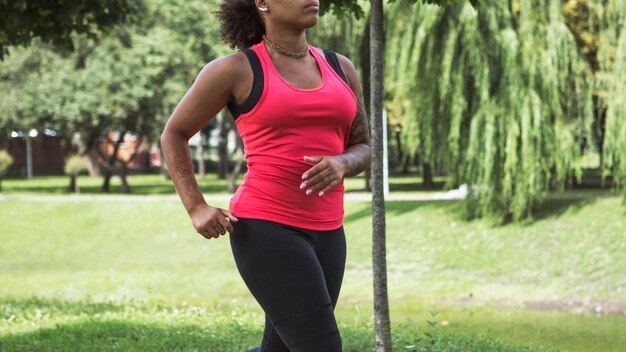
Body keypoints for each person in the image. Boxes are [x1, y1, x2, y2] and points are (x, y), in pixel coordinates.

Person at [160, 0, 371, 350]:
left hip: (330, 232)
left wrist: (343, 162)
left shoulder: (341, 68)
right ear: (262, 3)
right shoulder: (236, 70)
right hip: (267, 229)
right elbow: (175, 133)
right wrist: (196, 206)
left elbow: (363, 144)